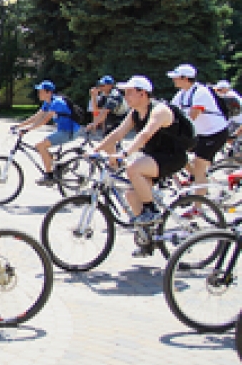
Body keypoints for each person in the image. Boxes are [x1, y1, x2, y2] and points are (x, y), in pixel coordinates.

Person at [93, 76, 189, 254]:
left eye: (129, 92)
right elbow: (118, 133)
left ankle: (151, 210)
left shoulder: (160, 110)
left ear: (143, 93)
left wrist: (124, 154)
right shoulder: (135, 112)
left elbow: (145, 135)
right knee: (131, 194)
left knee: (133, 167)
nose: (126, 96)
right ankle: (147, 240)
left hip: (172, 157)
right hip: (154, 157)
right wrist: (96, 150)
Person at [169, 64, 228, 200]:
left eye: (176, 77)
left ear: (185, 78)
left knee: (199, 165)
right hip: (202, 134)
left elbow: (191, 117)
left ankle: (197, 207)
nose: (173, 80)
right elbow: (170, 111)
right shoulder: (182, 93)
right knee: (176, 152)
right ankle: (198, 181)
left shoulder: (201, 92)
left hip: (215, 133)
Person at [12, 80, 82, 186]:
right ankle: (58, 164)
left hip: (69, 131)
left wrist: (27, 130)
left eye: (41, 91)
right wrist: (19, 126)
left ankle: (49, 176)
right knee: (41, 147)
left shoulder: (57, 102)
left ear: (49, 92)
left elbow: (44, 120)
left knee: (40, 146)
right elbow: (37, 116)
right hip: (63, 130)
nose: (39, 93)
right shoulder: (48, 102)